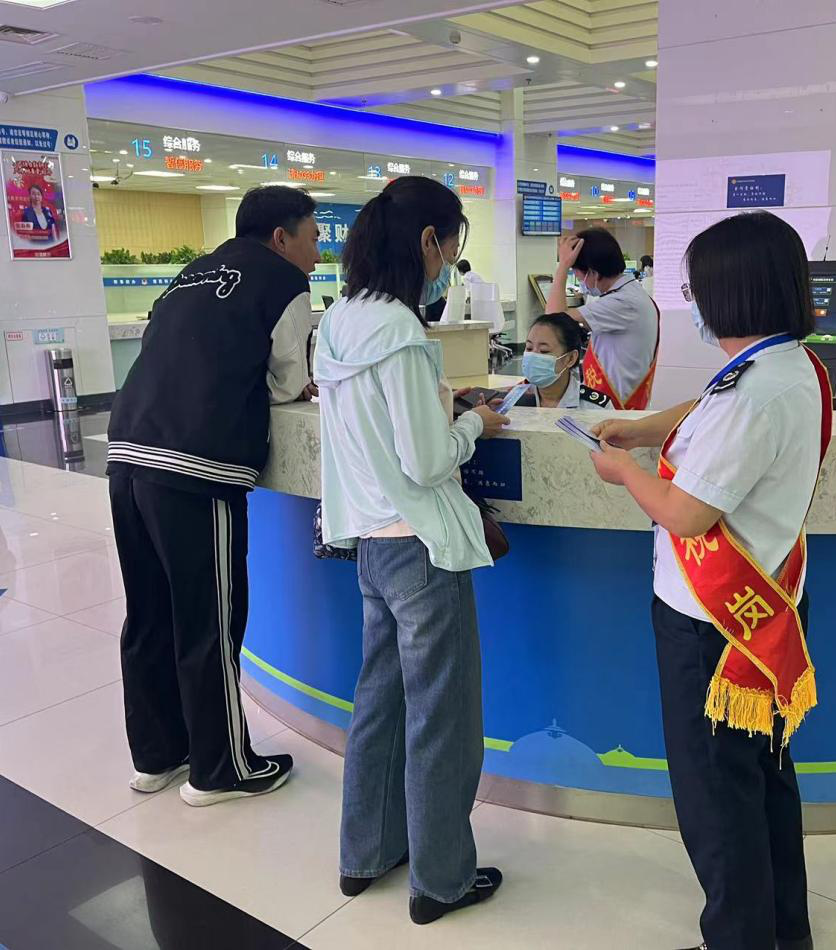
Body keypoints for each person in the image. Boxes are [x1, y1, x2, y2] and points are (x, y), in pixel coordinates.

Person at [588, 211, 829, 950]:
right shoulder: (790, 365)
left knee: (717, 800)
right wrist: (646, 428)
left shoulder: (754, 391)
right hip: (766, 611)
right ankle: (783, 930)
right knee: (764, 781)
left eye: (695, 288)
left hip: (711, 630)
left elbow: (687, 515)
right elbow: (712, 410)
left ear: (732, 292)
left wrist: (623, 470)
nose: (690, 302)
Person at [314, 175, 508, 926]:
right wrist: (476, 425)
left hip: (369, 541)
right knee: (441, 718)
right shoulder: (401, 332)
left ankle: (365, 853)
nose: (449, 264)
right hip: (423, 545)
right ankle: (441, 879)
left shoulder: (339, 321)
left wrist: (441, 410)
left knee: (379, 704)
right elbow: (427, 462)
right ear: (429, 240)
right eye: (451, 247)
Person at [106, 185, 318, 807]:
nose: (315, 253)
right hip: (196, 465)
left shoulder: (192, 273)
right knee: (210, 620)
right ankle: (221, 769)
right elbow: (288, 382)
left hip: (128, 449)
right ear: (280, 237)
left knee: (150, 614)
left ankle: (158, 756)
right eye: (311, 239)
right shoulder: (283, 281)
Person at [546, 227, 659, 409]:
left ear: (594, 273)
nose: (579, 281)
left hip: (615, 409)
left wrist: (562, 267)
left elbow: (552, 322)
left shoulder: (623, 302)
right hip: (616, 404)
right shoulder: (630, 294)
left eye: (577, 274)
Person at [512, 313, 612, 409]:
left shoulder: (594, 407)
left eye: (544, 351)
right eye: (529, 348)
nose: (533, 356)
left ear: (570, 358)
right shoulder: (514, 399)